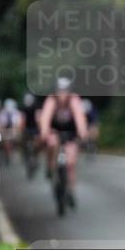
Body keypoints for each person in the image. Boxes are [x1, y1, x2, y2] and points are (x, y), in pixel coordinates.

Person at [38, 78, 89, 206]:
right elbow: (45, 117)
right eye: (60, 90)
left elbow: (79, 117)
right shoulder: (51, 100)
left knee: (71, 162)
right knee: (52, 144)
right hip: (54, 131)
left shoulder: (74, 99)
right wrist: (44, 132)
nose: (62, 94)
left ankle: (71, 190)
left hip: (70, 132)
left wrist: (82, 133)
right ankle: (50, 167)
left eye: (65, 91)